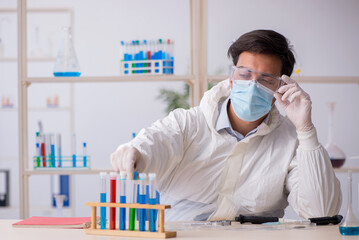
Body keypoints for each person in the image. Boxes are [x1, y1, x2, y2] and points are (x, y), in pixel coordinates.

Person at [110, 29, 342, 221]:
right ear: (231, 78)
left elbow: (322, 212)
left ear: (281, 87)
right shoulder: (188, 123)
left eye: (266, 80)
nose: (252, 85)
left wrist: (306, 130)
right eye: (245, 74)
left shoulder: (291, 141)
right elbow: (155, 144)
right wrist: (135, 152)